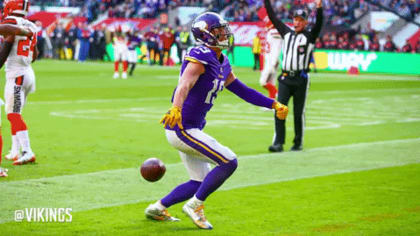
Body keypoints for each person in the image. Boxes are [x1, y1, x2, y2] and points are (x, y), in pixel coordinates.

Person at [144, 12, 288, 230]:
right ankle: (195, 206)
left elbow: (242, 90)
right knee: (229, 161)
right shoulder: (201, 55)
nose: (224, 34)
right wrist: (176, 107)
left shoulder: (222, 60)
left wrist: (272, 104)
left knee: (199, 181)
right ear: (205, 35)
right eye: (218, 31)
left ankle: (157, 208)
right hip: (182, 127)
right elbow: (184, 84)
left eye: (223, 30)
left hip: (190, 127)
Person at [265, 0, 323, 152]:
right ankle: (278, 142)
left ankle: (297, 143)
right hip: (285, 78)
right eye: (295, 19)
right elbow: (273, 17)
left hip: (300, 79)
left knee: (298, 113)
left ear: (305, 22)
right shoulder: (287, 33)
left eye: (300, 20)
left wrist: (319, 8)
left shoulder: (310, 37)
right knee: (280, 109)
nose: (296, 22)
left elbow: (319, 25)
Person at [0, 0, 39, 166]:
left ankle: (27, 151)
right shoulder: (32, 25)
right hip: (28, 72)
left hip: (17, 74)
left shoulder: (13, 21)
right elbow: (36, 54)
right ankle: (15, 150)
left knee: (13, 115)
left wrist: (19, 32)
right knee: (15, 113)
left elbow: (6, 28)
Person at [258, 7, 282, 99]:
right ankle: (272, 104)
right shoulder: (270, 32)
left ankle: (278, 93)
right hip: (271, 60)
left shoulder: (274, 32)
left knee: (263, 82)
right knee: (271, 82)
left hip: (272, 60)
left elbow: (276, 47)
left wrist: (273, 62)